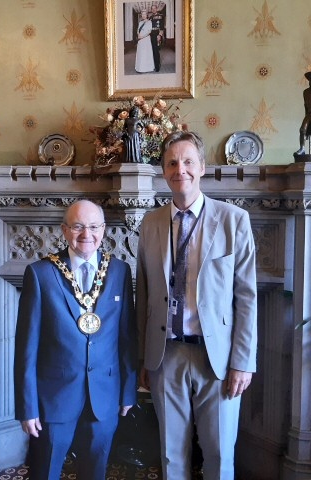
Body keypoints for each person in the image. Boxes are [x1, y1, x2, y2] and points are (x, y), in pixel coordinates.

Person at [136, 131, 257, 480]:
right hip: (166, 355)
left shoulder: (234, 221)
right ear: (164, 171)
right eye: (172, 163)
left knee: (219, 454)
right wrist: (144, 356)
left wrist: (242, 362)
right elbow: (142, 293)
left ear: (202, 167)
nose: (180, 169)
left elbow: (246, 297)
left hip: (216, 357)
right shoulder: (151, 223)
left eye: (188, 161)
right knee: (171, 454)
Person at [14, 199, 137, 480]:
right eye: (78, 226)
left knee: (95, 473)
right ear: (64, 230)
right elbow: (26, 348)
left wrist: (128, 390)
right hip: (54, 399)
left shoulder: (119, 271)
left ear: (103, 229)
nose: (87, 234)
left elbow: (127, 336)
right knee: (45, 472)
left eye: (94, 226)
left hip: (104, 397)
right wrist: (27, 407)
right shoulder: (41, 273)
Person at [295, 71, 311, 155]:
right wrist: (305, 116)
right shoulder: (306, 92)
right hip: (309, 114)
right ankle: (302, 148)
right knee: (302, 130)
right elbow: (306, 106)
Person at [148, 4, 165, 72]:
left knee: (156, 51)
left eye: (154, 8)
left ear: (157, 9)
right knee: (152, 50)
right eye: (152, 9)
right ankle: (153, 65)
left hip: (157, 34)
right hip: (151, 35)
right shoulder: (150, 17)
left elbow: (162, 27)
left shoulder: (161, 16)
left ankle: (157, 67)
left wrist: (160, 35)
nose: (153, 10)